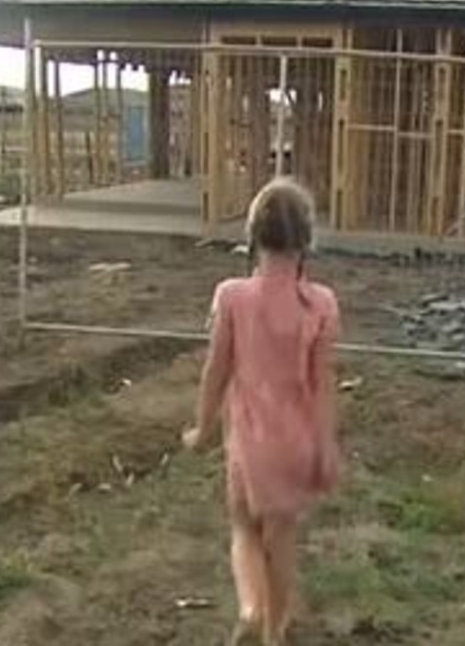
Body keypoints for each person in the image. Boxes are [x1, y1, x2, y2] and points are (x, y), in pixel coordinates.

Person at [182, 176, 342, 646]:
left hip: (250, 440)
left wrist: (203, 426)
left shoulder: (232, 296)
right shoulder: (322, 303)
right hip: (298, 441)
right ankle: (275, 631)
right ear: (307, 240)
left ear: (252, 236)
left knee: (242, 526)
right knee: (282, 538)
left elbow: (217, 370)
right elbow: (325, 383)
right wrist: (326, 444)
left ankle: (251, 609)